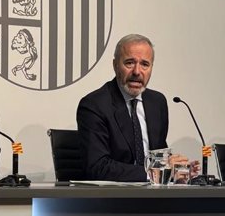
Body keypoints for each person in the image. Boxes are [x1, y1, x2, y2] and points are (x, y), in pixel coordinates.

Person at [77, 33, 187, 181]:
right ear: (115, 65)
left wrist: (177, 171)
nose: (137, 72)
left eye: (144, 64)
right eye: (129, 63)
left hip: (154, 198)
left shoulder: (157, 102)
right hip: (112, 200)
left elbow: (159, 157)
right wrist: (154, 173)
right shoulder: (94, 105)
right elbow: (97, 166)